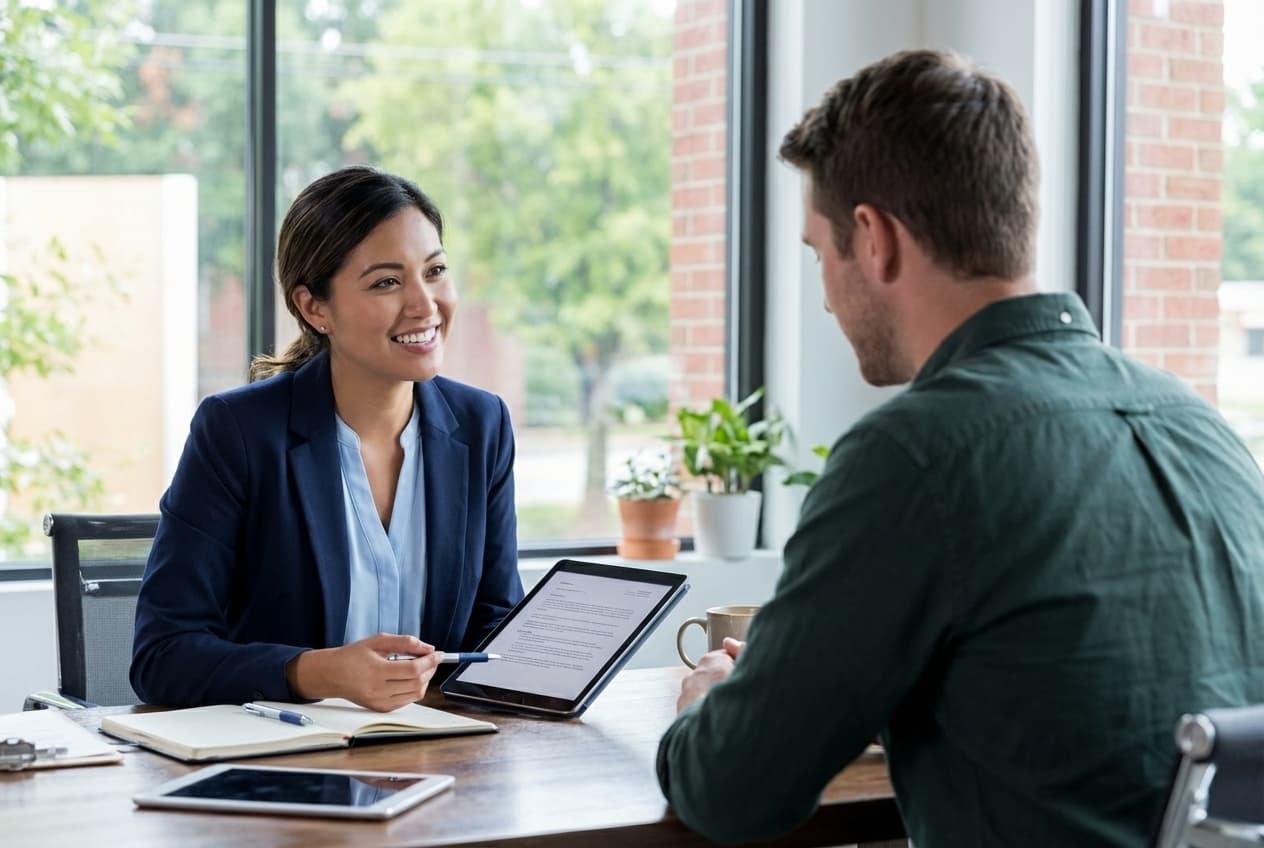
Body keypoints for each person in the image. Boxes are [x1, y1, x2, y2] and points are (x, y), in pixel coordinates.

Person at [656, 49, 1264, 846]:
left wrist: (707, 699)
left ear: (872, 239)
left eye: (818, 254)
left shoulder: (913, 457)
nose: (827, 299)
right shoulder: (1200, 426)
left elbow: (734, 790)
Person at [131, 165, 524, 710]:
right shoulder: (238, 433)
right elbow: (162, 656)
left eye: (434, 271)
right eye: (387, 282)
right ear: (315, 308)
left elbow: (496, 632)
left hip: (439, 757)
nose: (424, 303)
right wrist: (316, 672)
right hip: (277, 765)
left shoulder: (482, 426)